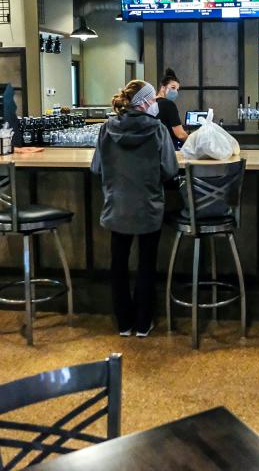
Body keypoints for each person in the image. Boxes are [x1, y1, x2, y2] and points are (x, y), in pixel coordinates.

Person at [92, 80, 178, 337]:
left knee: (118, 262)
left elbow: (97, 167)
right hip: (148, 206)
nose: (155, 105)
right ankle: (143, 322)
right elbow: (170, 170)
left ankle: (124, 322)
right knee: (146, 262)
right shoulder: (158, 129)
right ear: (143, 103)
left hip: (116, 206)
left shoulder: (107, 128)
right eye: (152, 101)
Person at [155, 68, 188, 146]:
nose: (175, 92)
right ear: (163, 87)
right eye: (173, 88)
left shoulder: (150, 102)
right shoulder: (169, 104)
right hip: (167, 149)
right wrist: (195, 143)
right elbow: (180, 135)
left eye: (177, 89)